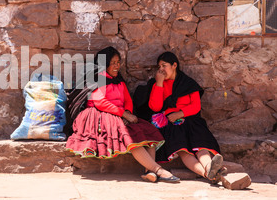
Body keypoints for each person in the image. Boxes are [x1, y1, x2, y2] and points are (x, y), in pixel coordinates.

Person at [66, 46, 180, 183]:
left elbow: (127, 100)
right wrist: (124, 115)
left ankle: (149, 171)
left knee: (147, 133)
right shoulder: (99, 77)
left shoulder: (119, 80)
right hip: (101, 115)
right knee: (130, 138)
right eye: (113, 63)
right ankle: (158, 170)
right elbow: (100, 102)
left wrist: (128, 114)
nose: (117, 66)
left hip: (120, 115)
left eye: (118, 62)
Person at [146, 51, 224, 183]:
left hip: (191, 121)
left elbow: (196, 106)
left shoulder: (188, 83)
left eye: (164, 66)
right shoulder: (158, 84)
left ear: (174, 65)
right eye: (159, 67)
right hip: (171, 124)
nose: (161, 70)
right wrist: (159, 83)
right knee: (183, 150)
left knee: (201, 147)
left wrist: (179, 114)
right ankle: (208, 174)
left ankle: (209, 166)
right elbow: (155, 107)